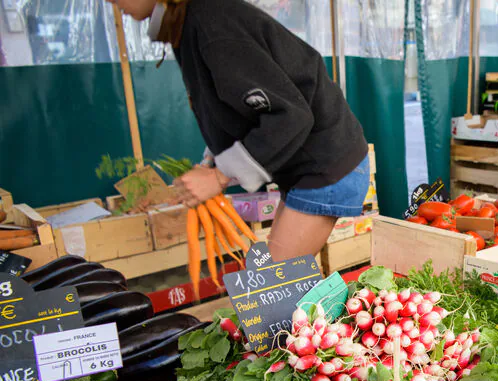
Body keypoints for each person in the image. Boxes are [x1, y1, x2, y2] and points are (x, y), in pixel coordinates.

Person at [108, 0, 370, 262]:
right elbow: (231, 109)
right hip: (306, 167)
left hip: (325, 164)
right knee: (275, 281)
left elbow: (291, 116)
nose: (110, 1)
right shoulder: (191, 24)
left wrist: (220, 176)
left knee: (270, 286)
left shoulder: (212, 23)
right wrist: (212, 162)